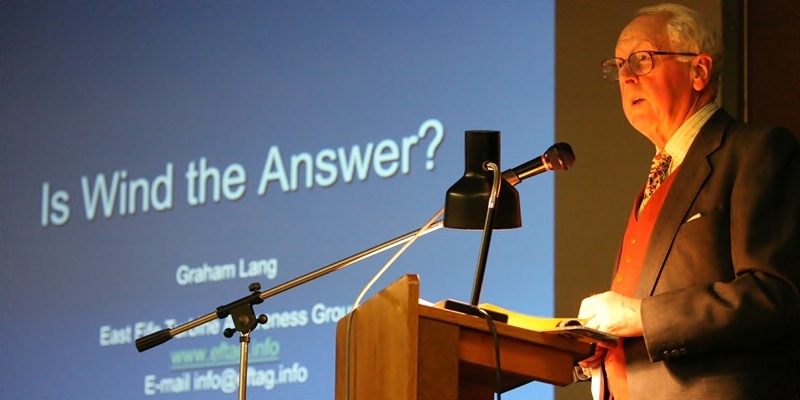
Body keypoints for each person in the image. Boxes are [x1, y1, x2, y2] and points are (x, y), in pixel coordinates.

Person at [576, 3, 800, 400]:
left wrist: (640, 316)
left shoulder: (754, 151)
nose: (625, 77)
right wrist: (601, 345)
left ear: (698, 71)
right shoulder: (659, 173)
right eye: (618, 65)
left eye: (641, 60)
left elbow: (773, 294)